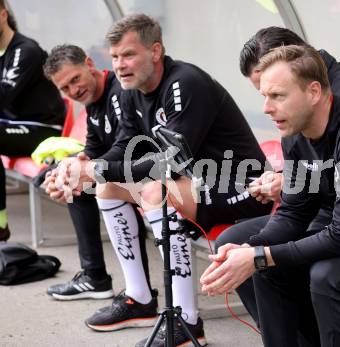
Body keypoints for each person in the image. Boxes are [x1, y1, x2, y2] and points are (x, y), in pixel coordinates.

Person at [54, 14, 272, 346]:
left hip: (242, 186)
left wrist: (96, 170)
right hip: (196, 184)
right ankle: (139, 299)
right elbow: (125, 147)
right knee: (109, 187)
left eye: (128, 55)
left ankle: (186, 322)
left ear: (155, 51)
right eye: (114, 57)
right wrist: (83, 167)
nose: (120, 65)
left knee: (158, 190)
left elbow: (171, 160)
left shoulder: (186, 82)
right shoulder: (131, 89)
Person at [201, 45, 340, 347]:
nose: (267, 108)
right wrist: (251, 249)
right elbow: (294, 212)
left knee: (326, 276)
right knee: (269, 269)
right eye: (264, 97)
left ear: (313, 92)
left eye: (278, 96)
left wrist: (260, 256)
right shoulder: (295, 133)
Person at [42, 44, 156, 326]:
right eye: (65, 88)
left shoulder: (121, 89)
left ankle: (135, 294)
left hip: (152, 173)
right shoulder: (93, 101)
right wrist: (65, 173)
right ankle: (96, 277)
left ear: (89, 64)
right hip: (125, 174)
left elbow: (126, 145)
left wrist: (84, 171)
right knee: (72, 185)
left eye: (75, 79)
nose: (73, 90)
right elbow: (93, 147)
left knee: (83, 184)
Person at [0, 0, 65, 241]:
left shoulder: (25, 50)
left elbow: (3, 96)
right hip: (12, 127)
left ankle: (0, 226)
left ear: (3, 15)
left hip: (43, 130)